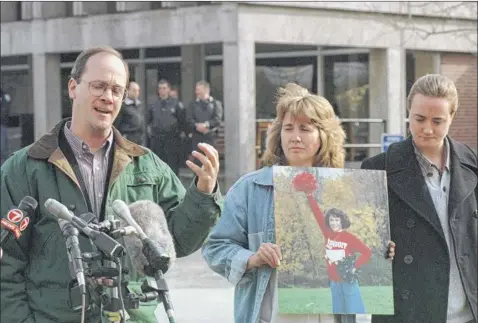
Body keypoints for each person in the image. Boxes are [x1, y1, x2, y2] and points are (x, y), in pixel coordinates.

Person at [0, 46, 222, 323]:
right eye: (99, 86)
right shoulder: (23, 168)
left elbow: (177, 242)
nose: (108, 97)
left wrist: (203, 194)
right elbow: (6, 268)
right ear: (73, 87)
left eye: (117, 90)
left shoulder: (147, 165)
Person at [202, 83, 394, 323]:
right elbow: (215, 246)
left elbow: (360, 251)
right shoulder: (250, 188)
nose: (295, 137)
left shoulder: (345, 190)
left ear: (324, 136)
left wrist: (382, 252)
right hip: (273, 316)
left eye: (305, 128)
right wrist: (252, 258)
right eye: (288, 128)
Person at [361, 74, 477, 323]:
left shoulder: (473, 166)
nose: (427, 129)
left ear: (452, 117)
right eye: (419, 119)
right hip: (407, 313)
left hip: (468, 312)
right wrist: (376, 249)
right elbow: (361, 246)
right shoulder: (376, 170)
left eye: (437, 121)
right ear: (408, 113)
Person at [292, 172, 372, 314]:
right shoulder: (328, 234)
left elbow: (367, 252)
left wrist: (355, 266)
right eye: (331, 220)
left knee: (354, 312)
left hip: (348, 279)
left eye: (336, 220)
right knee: (338, 313)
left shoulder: (350, 238)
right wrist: (309, 195)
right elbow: (317, 214)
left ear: (342, 220)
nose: (334, 223)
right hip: (334, 281)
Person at [148, 79, 187, 175]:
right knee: (158, 165)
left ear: (169, 89)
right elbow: (149, 120)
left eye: (164, 88)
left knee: (172, 166)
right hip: (157, 139)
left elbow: (182, 121)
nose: (162, 90)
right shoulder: (153, 104)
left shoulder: (176, 103)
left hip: (172, 140)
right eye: (160, 88)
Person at [186, 80, 223, 166]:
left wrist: (206, 125)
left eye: (198, 89)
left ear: (206, 90)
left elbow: (218, 119)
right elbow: (188, 119)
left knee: (210, 162)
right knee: (197, 162)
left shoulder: (216, 103)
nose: (196, 92)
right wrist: (197, 125)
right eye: (196, 89)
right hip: (196, 138)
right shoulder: (192, 104)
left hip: (211, 137)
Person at [113, 81, 145, 145]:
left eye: (138, 90)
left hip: (139, 140)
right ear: (128, 91)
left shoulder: (139, 105)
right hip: (127, 139)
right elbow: (116, 125)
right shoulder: (122, 106)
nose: (136, 93)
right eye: (134, 90)